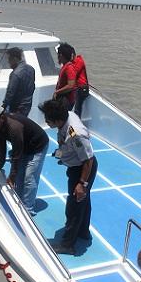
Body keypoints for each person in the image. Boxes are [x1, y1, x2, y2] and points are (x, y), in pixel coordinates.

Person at [39, 99, 98, 254]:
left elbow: (88, 159)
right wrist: (62, 155)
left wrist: (81, 184)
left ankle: (67, 245)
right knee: (84, 202)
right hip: (77, 165)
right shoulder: (67, 116)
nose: (46, 122)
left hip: (83, 170)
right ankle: (83, 232)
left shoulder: (75, 133)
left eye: (48, 121)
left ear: (58, 120)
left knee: (74, 207)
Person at [0, 112, 49, 216]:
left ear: (2, 119)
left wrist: (12, 174)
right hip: (25, 146)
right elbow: (1, 145)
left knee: (29, 177)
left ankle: (28, 209)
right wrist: (0, 162)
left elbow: (17, 154)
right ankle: (18, 201)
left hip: (38, 146)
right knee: (19, 176)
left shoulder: (14, 128)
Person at [2, 47, 35, 116]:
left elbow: (10, 93)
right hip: (27, 106)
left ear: (15, 59)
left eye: (9, 59)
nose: (8, 62)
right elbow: (32, 87)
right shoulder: (31, 69)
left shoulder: (15, 74)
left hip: (17, 108)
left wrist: (3, 106)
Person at [65, 43, 89, 117]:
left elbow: (74, 73)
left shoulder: (79, 61)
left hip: (82, 88)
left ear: (72, 54)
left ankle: (76, 124)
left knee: (77, 109)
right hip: (78, 88)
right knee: (74, 107)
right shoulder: (72, 63)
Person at [53, 43, 77, 110]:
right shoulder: (65, 66)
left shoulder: (69, 68)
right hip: (62, 98)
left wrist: (57, 92)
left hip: (66, 101)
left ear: (61, 55)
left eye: (58, 55)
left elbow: (71, 86)